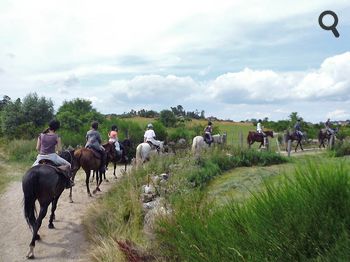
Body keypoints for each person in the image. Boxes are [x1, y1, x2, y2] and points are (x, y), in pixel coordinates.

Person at [32, 119, 74, 188]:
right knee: (68, 165)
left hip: (41, 157)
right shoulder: (56, 136)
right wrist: (57, 152)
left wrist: (42, 152)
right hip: (52, 157)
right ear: (57, 128)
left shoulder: (41, 135)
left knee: (31, 170)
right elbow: (60, 150)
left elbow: (37, 148)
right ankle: (68, 183)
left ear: (49, 125)